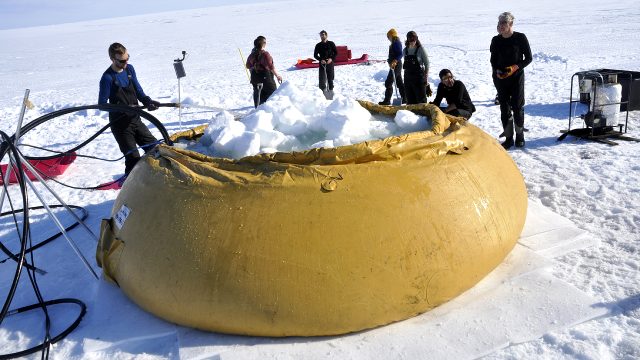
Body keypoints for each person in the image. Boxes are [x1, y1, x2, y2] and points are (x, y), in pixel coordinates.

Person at [98, 42, 161, 176]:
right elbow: (102, 105)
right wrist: (124, 108)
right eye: (121, 61)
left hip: (136, 121)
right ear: (112, 59)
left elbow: (139, 91)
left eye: (127, 58)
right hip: (121, 127)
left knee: (157, 151)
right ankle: (128, 187)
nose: (125, 63)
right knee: (133, 160)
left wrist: (148, 101)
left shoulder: (129, 69)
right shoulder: (107, 78)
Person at [490, 12, 532, 149]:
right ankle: (509, 138)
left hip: (516, 77)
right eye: (499, 23)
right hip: (501, 78)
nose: (501, 26)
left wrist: (515, 67)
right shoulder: (496, 40)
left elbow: (528, 58)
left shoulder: (520, 38)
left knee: (517, 107)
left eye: (504, 23)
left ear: (511, 24)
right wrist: (497, 70)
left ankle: (520, 136)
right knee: (504, 107)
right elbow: (493, 60)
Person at [246, 35, 283, 108]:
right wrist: (277, 76)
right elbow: (271, 67)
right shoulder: (265, 54)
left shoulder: (252, 55)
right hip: (266, 78)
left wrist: (254, 68)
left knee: (258, 95)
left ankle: (258, 112)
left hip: (255, 78)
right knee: (273, 94)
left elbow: (248, 66)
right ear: (263, 44)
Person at [379, 28, 406, 105]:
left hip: (396, 65)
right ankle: (405, 99)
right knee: (399, 82)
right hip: (394, 65)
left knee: (388, 82)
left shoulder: (396, 43)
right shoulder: (394, 43)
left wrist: (394, 61)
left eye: (388, 37)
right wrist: (389, 60)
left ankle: (387, 101)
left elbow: (400, 54)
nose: (388, 38)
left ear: (392, 35)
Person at [402, 31, 430, 104]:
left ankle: (423, 114)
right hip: (408, 78)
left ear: (416, 39)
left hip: (419, 77)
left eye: (414, 39)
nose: (412, 41)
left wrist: (426, 77)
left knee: (421, 99)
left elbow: (427, 63)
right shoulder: (405, 50)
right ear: (407, 40)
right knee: (410, 99)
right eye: (410, 39)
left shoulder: (420, 49)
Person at [314, 30, 337, 99]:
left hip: (330, 62)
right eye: (321, 35)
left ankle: (331, 90)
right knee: (322, 78)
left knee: (330, 77)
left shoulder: (331, 43)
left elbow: (336, 53)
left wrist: (331, 59)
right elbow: (315, 55)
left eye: (323, 34)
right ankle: (323, 91)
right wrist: (321, 60)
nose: (322, 36)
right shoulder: (318, 45)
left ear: (326, 35)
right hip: (322, 63)